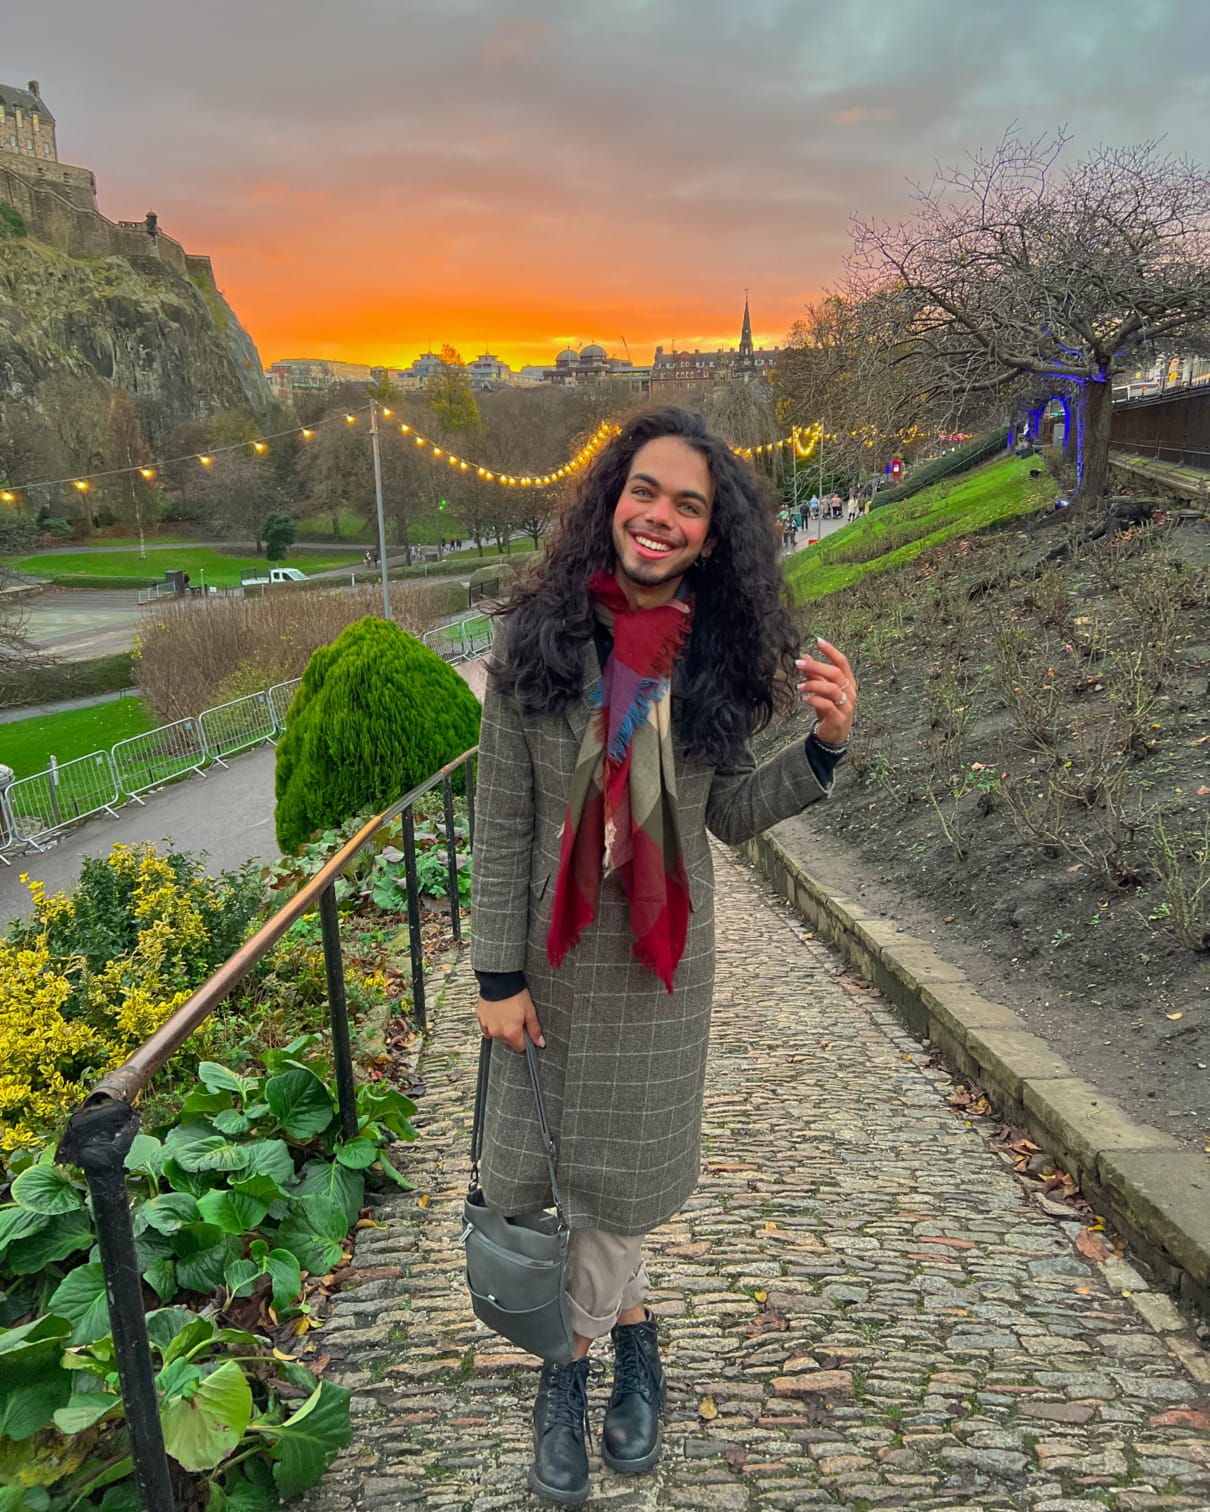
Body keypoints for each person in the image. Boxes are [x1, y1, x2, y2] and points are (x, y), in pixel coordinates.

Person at [472, 407, 857, 1504]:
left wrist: (822, 751)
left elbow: (726, 816)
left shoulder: (717, 659)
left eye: (689, 505)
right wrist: (494, 977)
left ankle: (570, 1370)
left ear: (709, 534)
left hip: (655, 972)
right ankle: (632, 1335)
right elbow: (500, 819)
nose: (660, 517)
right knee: (540, 1177)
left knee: (614, 1186)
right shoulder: (534, 640)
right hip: (548, 960)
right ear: (611, 499)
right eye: (646, 490)